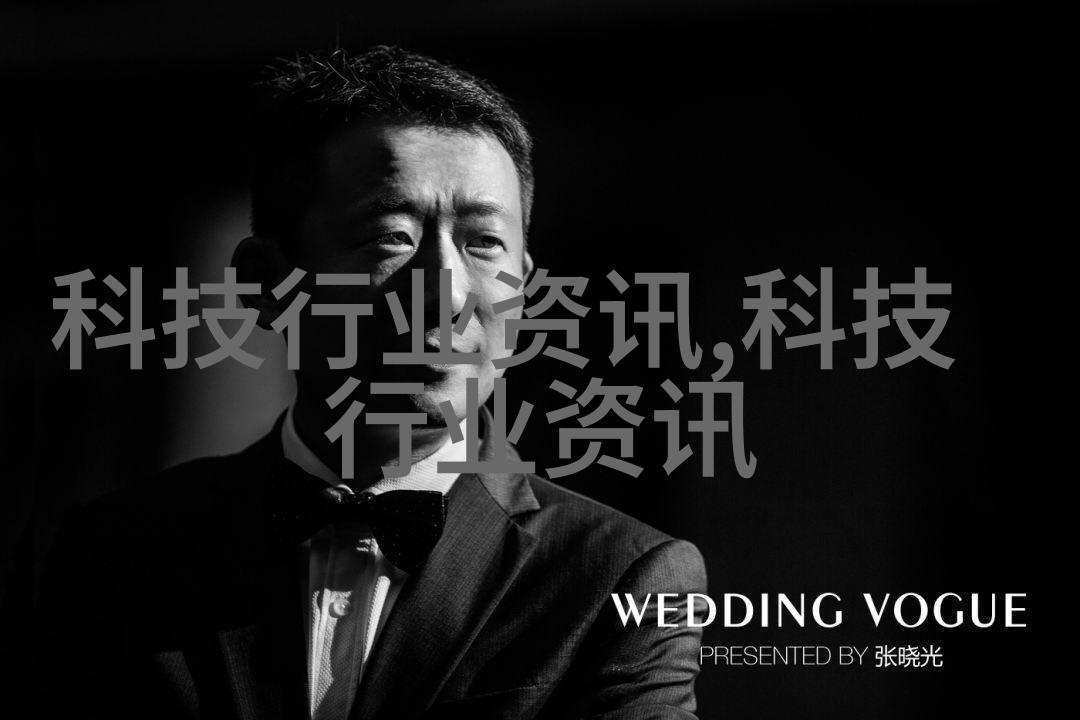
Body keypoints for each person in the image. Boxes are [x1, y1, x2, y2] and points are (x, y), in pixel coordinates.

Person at [36, 46, 707, 719]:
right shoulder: (112, 554)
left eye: (483, 243)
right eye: (390, 236)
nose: (445, 294)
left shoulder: (621, 578)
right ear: (266, 284)